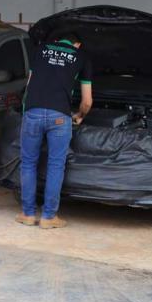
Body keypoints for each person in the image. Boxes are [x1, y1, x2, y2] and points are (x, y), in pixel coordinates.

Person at [17, 33, 92, 229]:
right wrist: (80, 115)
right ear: (77, 44)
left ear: (57, 42)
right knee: (56, 165)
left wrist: (27, 112)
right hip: (60, 115)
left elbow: (29, 84)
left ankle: (27, 214)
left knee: (28, 163)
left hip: (33, 111)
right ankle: (48, 217)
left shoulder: (41, 49)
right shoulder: (81, 56)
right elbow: (87, 101)